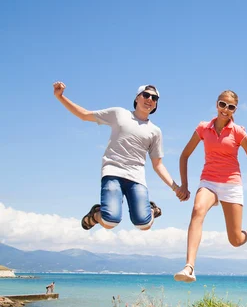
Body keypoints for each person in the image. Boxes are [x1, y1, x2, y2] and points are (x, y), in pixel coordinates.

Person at [174, 90, 247, 283]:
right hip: (208, 181)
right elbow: (184, 155)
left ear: (235, 109)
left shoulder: (238, 132)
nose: (226, 109)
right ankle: (189, 267)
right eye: (222, 104)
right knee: (197, 210)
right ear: (217, 104)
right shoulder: (203, 128)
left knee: (235, 240)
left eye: (231, 107)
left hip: (231, 184)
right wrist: (185, 185)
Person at [53, 82, 182, 231]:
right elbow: (84, 115)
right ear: (137, 98)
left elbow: (158, 164)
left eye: (154, 98)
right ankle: (95, 214)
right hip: (113, 172)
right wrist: (60, 96)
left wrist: (176, 188)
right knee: (110, 221)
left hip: (136, 178)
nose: (150, 99)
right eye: (146, 95)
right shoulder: (119, 113)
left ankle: (150, 209)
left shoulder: (155, 131)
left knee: (144, 224)